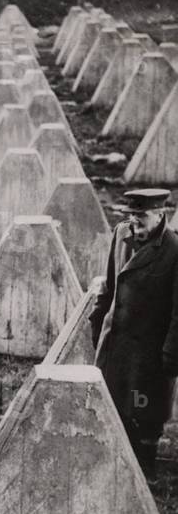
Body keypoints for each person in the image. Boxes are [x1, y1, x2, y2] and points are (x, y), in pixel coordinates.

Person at [90, 188, 178, 477]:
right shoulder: (121, 234)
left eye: (142, 216)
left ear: (160, 215)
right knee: (113, 406)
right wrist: (98, 318)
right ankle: (114, 467)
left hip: (149, 353)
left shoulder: (173, 250)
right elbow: (110, 284)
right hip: (115, 342)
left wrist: (170, 353)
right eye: (131, 215)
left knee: (145, 411)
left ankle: (145, 470)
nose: (134, 222)